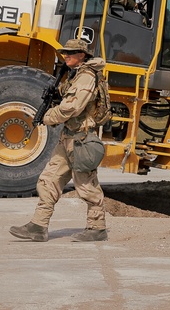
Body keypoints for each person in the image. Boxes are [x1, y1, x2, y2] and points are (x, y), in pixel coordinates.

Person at [9, 38, 108, 242]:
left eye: (71, 52)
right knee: (48, 181)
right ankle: (38, 226)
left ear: (82, 55)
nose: (67, 55)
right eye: (65, 52)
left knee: (87, 186)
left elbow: (73, 107)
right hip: (68, 138)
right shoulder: (75, 75)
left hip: (82, 140)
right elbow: (67, 99)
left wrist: (49, 116)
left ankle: (97, 228)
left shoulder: (87, 76)